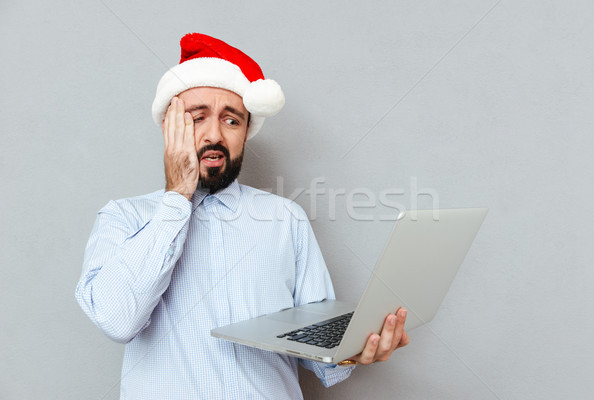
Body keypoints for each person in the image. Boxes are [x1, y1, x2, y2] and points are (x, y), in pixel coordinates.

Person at [75, 33, 409, 399]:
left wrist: (353, 350)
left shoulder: (286, 220)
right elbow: (117, 319)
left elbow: (318, 353)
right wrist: (176, 199)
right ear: (170, 128)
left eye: (231, 121)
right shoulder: (124, 217)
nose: (214, 135)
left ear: (247, 131)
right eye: (196, 118)